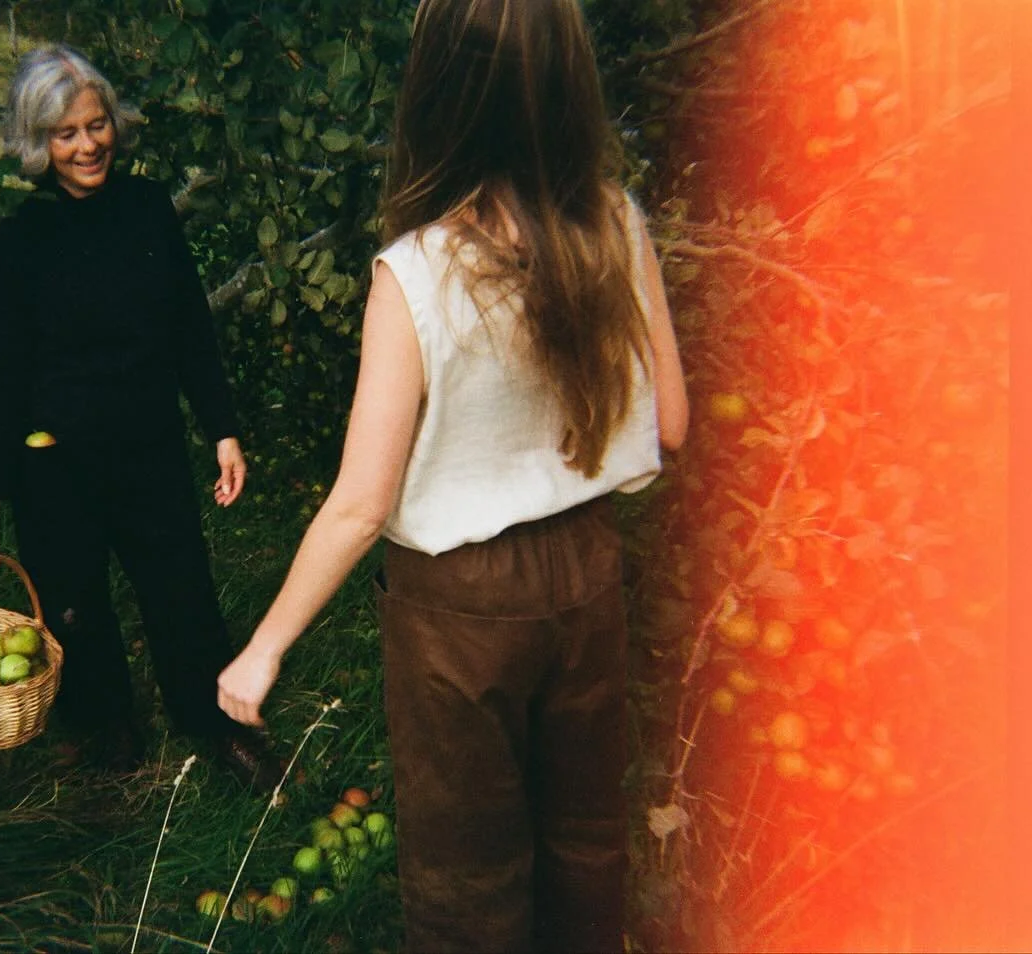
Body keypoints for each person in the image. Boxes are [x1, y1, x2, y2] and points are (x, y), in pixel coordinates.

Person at [215, 0, 689, 950]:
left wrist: (262, 649)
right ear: (571, 83)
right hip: (587, 576)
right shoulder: (615, 223)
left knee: (468, 870)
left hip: (458, 613)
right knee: (588, 839)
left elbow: (360, 503)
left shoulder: (419, 274)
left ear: (438, 93)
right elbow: (671, 425)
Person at [0, 45, 280, 792]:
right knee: (72, 604)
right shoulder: (20, 243)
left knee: (183, 593)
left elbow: (190, 328)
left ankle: (215, 724)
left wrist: (221, 428)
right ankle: (107, 731)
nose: (87, 145)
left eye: (96, 125)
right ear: (37, 144)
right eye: (65, 133)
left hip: (148, 447)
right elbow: (0, 378)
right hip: (53, 462)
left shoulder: (147, 209)